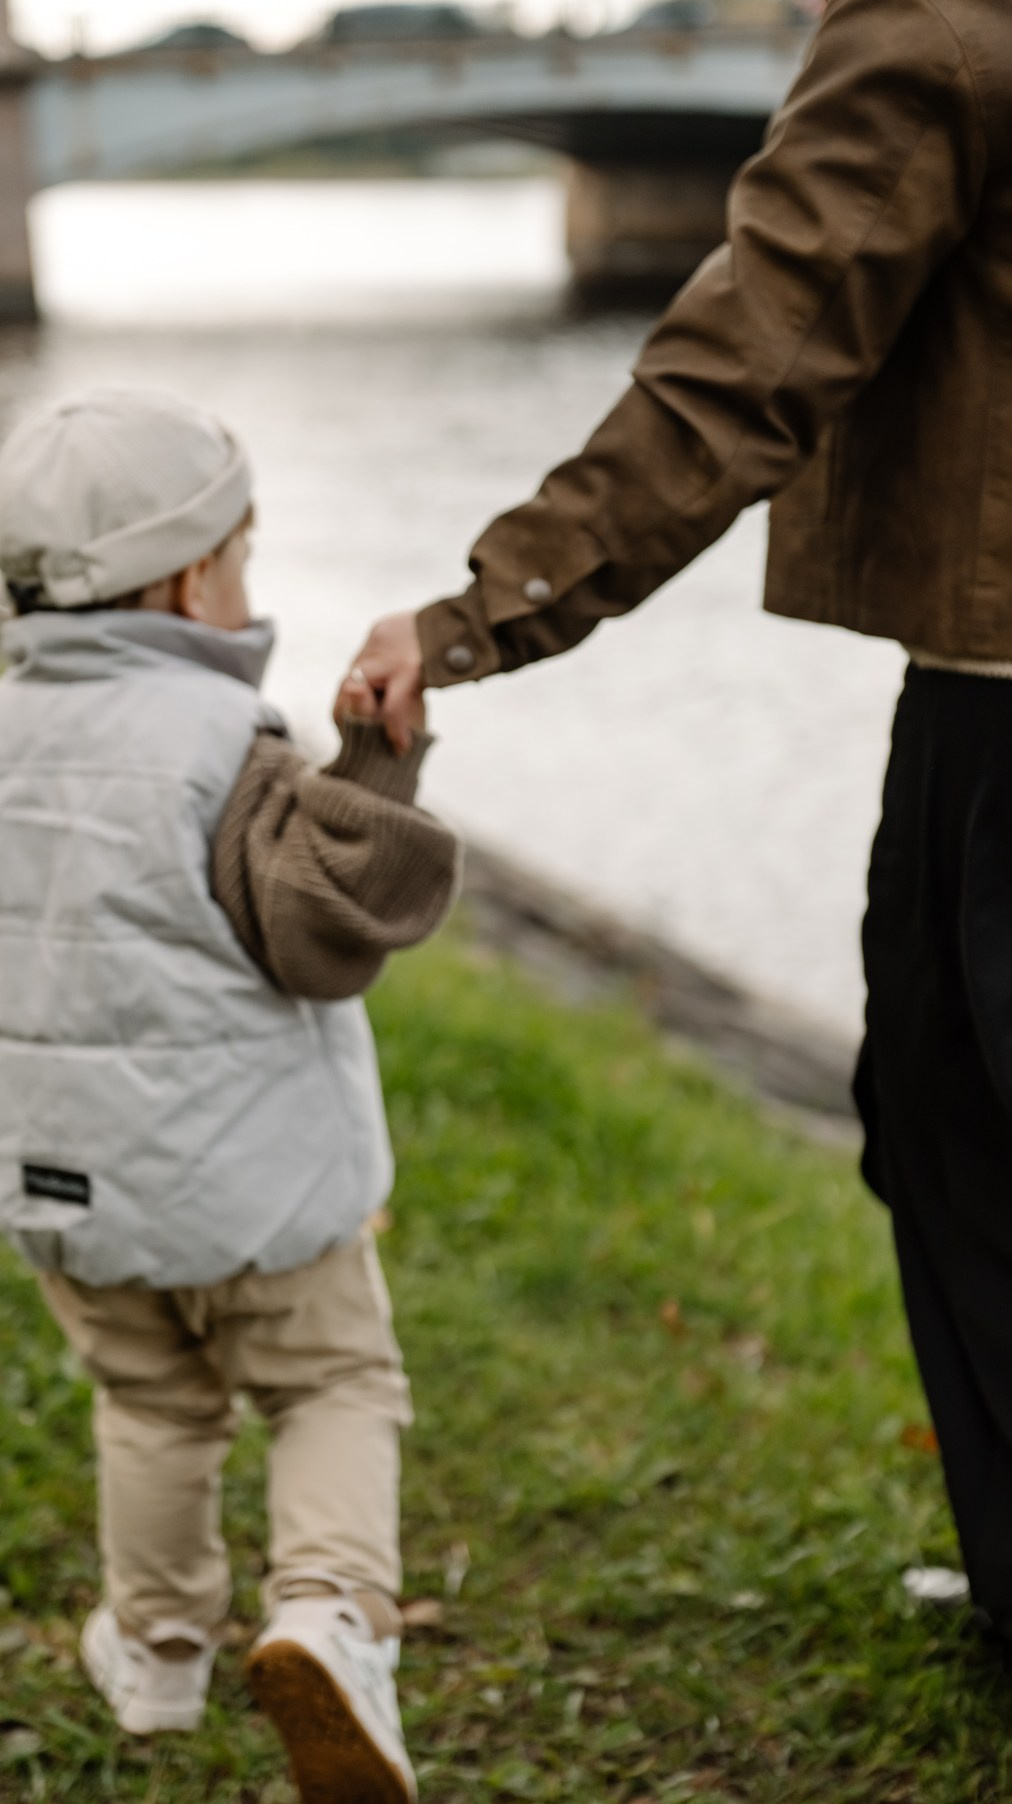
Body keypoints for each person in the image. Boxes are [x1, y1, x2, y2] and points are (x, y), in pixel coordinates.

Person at [346, 0, 1012, 1638]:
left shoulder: (937, 30)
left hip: (1004, 697)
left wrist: (474, 615)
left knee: (956, 1128)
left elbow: (750, 359)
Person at [0, 389, 460, 1804]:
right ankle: (328, 1616)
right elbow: (326, 932)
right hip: (266, 1201)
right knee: (329, 1386)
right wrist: (376, 766)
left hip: (71, 1191)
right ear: (195, 578)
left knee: (148, 1403)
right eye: (242, 558)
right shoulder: (225, 751)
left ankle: (162, 1648)